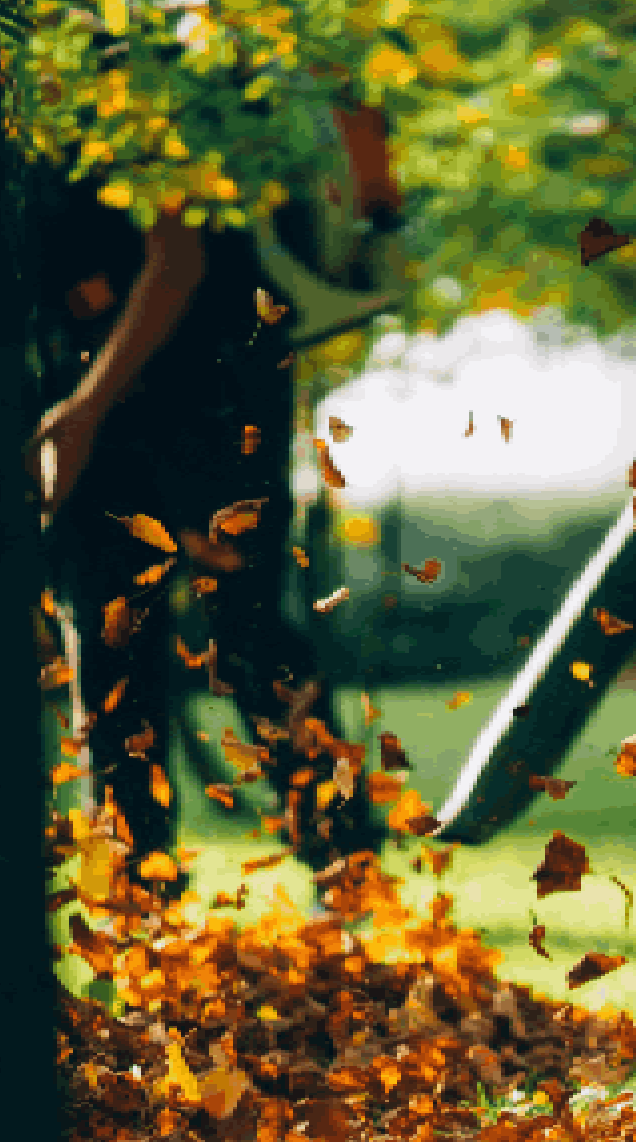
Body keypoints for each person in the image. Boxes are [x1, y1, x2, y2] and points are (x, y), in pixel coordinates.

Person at [27, 103, 386, 899]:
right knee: (112, 648)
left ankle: (345, 863)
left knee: (245, 634)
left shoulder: (128, 74)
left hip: (207, 404)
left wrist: (83, 411)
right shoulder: (23, 89)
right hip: (98, 410)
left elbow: (177, 259)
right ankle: (135, 888)